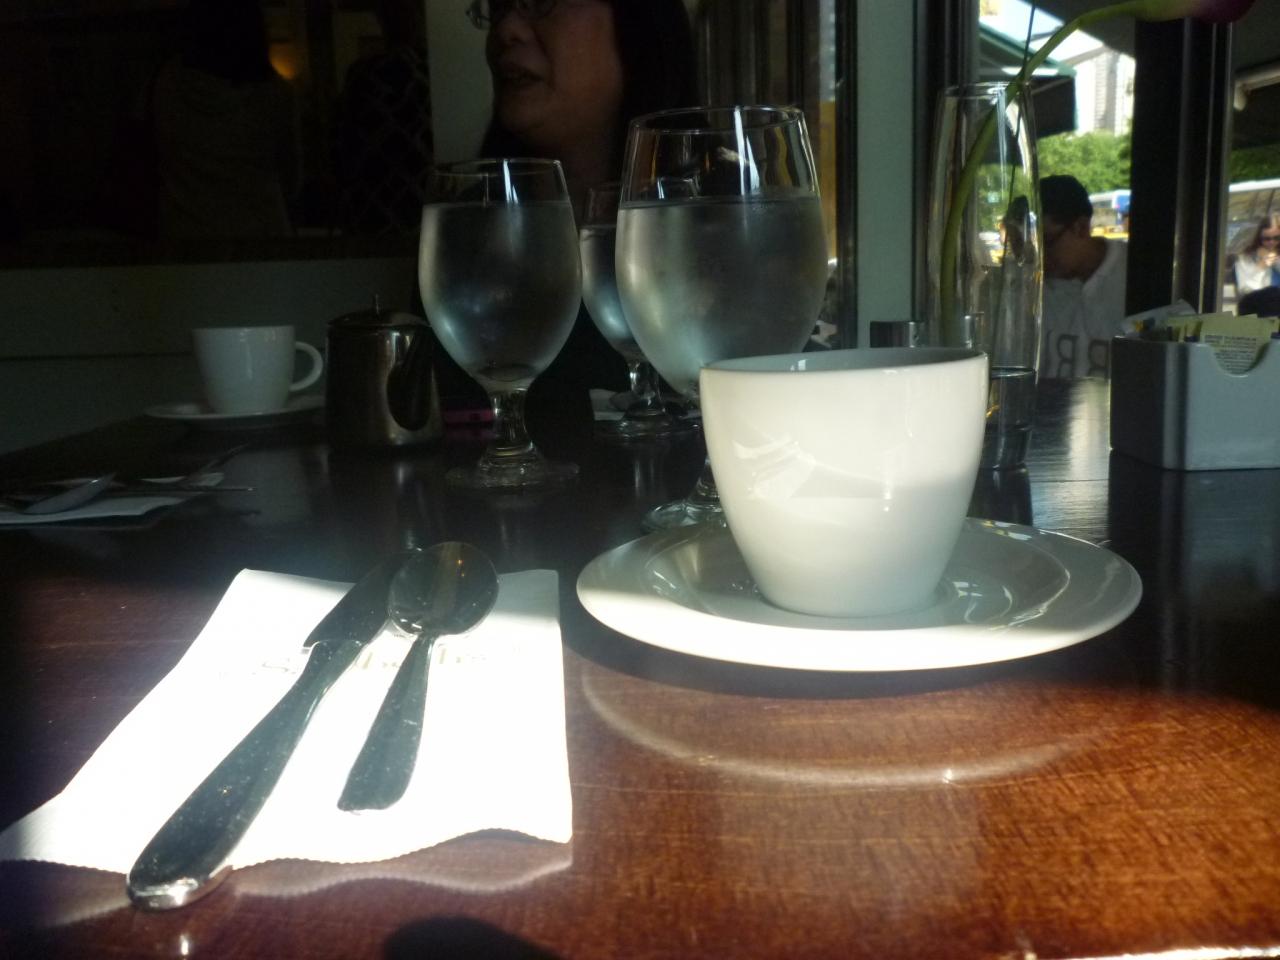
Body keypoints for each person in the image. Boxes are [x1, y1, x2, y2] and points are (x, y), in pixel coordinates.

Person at [435, 0, 698, 428]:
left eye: (541, 3)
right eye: (498, 7)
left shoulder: (722, 223)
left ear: (641, 29)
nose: (506, 30)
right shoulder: (457, 231)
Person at [150, 0, 299, 239]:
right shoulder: (274, 94)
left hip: (184, 236)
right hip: (262, 235)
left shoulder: (167, 83)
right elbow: (290, 176)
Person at [333, 0, 434, 237]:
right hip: (402, 213)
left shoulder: (365, 75)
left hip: (374, 215)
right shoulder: (431, 71)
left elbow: (340, 150)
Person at [1038, 174, 1129, 380]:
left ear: (1080, 227)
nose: (1039, 259)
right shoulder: (1040, 286)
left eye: (1046, 243)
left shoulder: (1132, 275)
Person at [1233, 214, 1280, 297]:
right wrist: (1261, 266)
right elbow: (1247, 290)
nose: (1272, 242)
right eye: (1267, 239)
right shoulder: (1246, 259)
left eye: (1277, 238)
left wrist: (1276, 262)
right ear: (1259, 238)